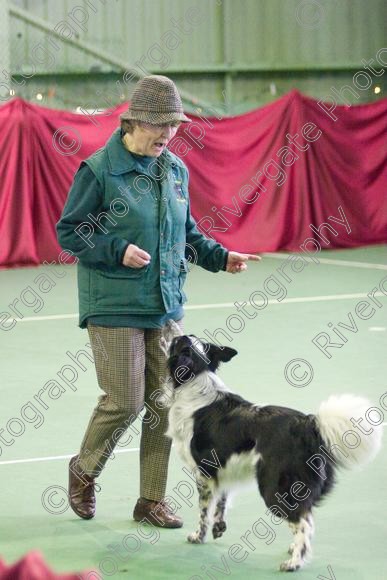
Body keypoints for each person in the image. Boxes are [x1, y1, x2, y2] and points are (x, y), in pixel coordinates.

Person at [56, 75, 260, 529]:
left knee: (166, 405)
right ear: (135, 122)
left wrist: (219, 257)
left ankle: (150, 499)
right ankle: (84, 469)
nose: (168, 135)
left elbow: (185, 234)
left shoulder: (174, 170)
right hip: (112, 304)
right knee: (125, 401)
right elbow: (70, 231)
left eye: (175, 127)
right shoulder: (99, 171)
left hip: (164, 305)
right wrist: (116, 249)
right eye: (160, 127)